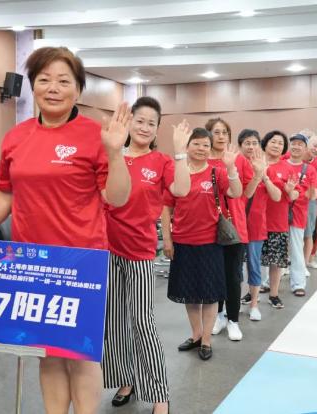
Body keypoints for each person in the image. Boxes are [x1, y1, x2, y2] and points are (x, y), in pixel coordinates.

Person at [0, 47, 132, 414]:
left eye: (64, 81)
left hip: (80, 262)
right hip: (31, 261)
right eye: (44, 80)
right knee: (47, 352)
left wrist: (115, 154)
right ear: (33, 86)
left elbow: (117, 198)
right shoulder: (16, 137)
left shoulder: (95, 135)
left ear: (78, 90)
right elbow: (5, 193)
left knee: (80, 354)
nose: (53, 88)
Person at [102, 96, 191, 414]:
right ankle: (125, 380)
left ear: (157, 129)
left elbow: (181, 190)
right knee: (113, 322)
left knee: (142, 322)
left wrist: (180, 152)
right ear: (128, 122)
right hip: (105, 249)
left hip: (139, 251)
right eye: (139, 120)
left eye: (151, 123)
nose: (144, 127)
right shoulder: (112, 155)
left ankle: (159, 394)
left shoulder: (161, 161)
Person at [162, 128, 242, 361]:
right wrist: (167, 239)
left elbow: (236, 192)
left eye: (206, 145)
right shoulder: (176, 172)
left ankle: (206, 340)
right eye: (196, 144)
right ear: (186, 147)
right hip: (182, 242)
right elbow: (166, 208)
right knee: (189, 294)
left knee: (210, 295)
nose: (201, 148)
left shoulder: (217, 173)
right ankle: (196, 335)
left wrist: (231, 168)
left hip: (210, 243)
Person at [205, 118, 251, 341]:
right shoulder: (202, 159)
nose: (221, 136)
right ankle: (218, 315)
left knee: (233, 275)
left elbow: (247, 193)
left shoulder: (238, 159)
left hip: (234, 226)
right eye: (216, 132)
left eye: (225, 132)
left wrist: (258, 174)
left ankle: (233, 320)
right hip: (207, 227)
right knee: (214, 275)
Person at [238, 129, 281, 321]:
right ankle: (233, 303)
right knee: (235, 268)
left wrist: (263, 175)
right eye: (247, 143)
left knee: (254, 266)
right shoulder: (235, 165)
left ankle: (254, 304)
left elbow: (277, 196)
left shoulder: (266, 168)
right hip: (236, 225)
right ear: (240, 146)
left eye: (254, 143)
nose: (251, 146)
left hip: (256, 225)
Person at [260, 131, 298, 309]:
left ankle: (273, 294)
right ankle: (252, 291)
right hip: (255, 220)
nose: (276, 145)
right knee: (252, 259)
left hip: (277, 221)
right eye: (273, 142)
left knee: (275, 261)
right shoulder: (255, 163)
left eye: (280, 143)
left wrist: (290, 191)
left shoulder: (288, 168)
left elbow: (294, 195)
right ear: (265, 143)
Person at [286, 133, 317, 296]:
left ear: (305, 148)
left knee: (296, 249)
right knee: (273, 248)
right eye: (293, 143)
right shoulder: (280, 164)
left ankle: (298, 283)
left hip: (298, 215)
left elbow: (314, 194)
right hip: (276, 215)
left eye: (300, 144)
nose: (296, 146)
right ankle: (266, 282)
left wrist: (309, 192)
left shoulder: (310, 169)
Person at [303, 135, 317, 271]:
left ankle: (304, 264)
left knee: (308, 234)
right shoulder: (293, 158)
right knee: (292, 235)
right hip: (293, 201)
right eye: (314, 146)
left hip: (311, 202)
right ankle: (287, 265)